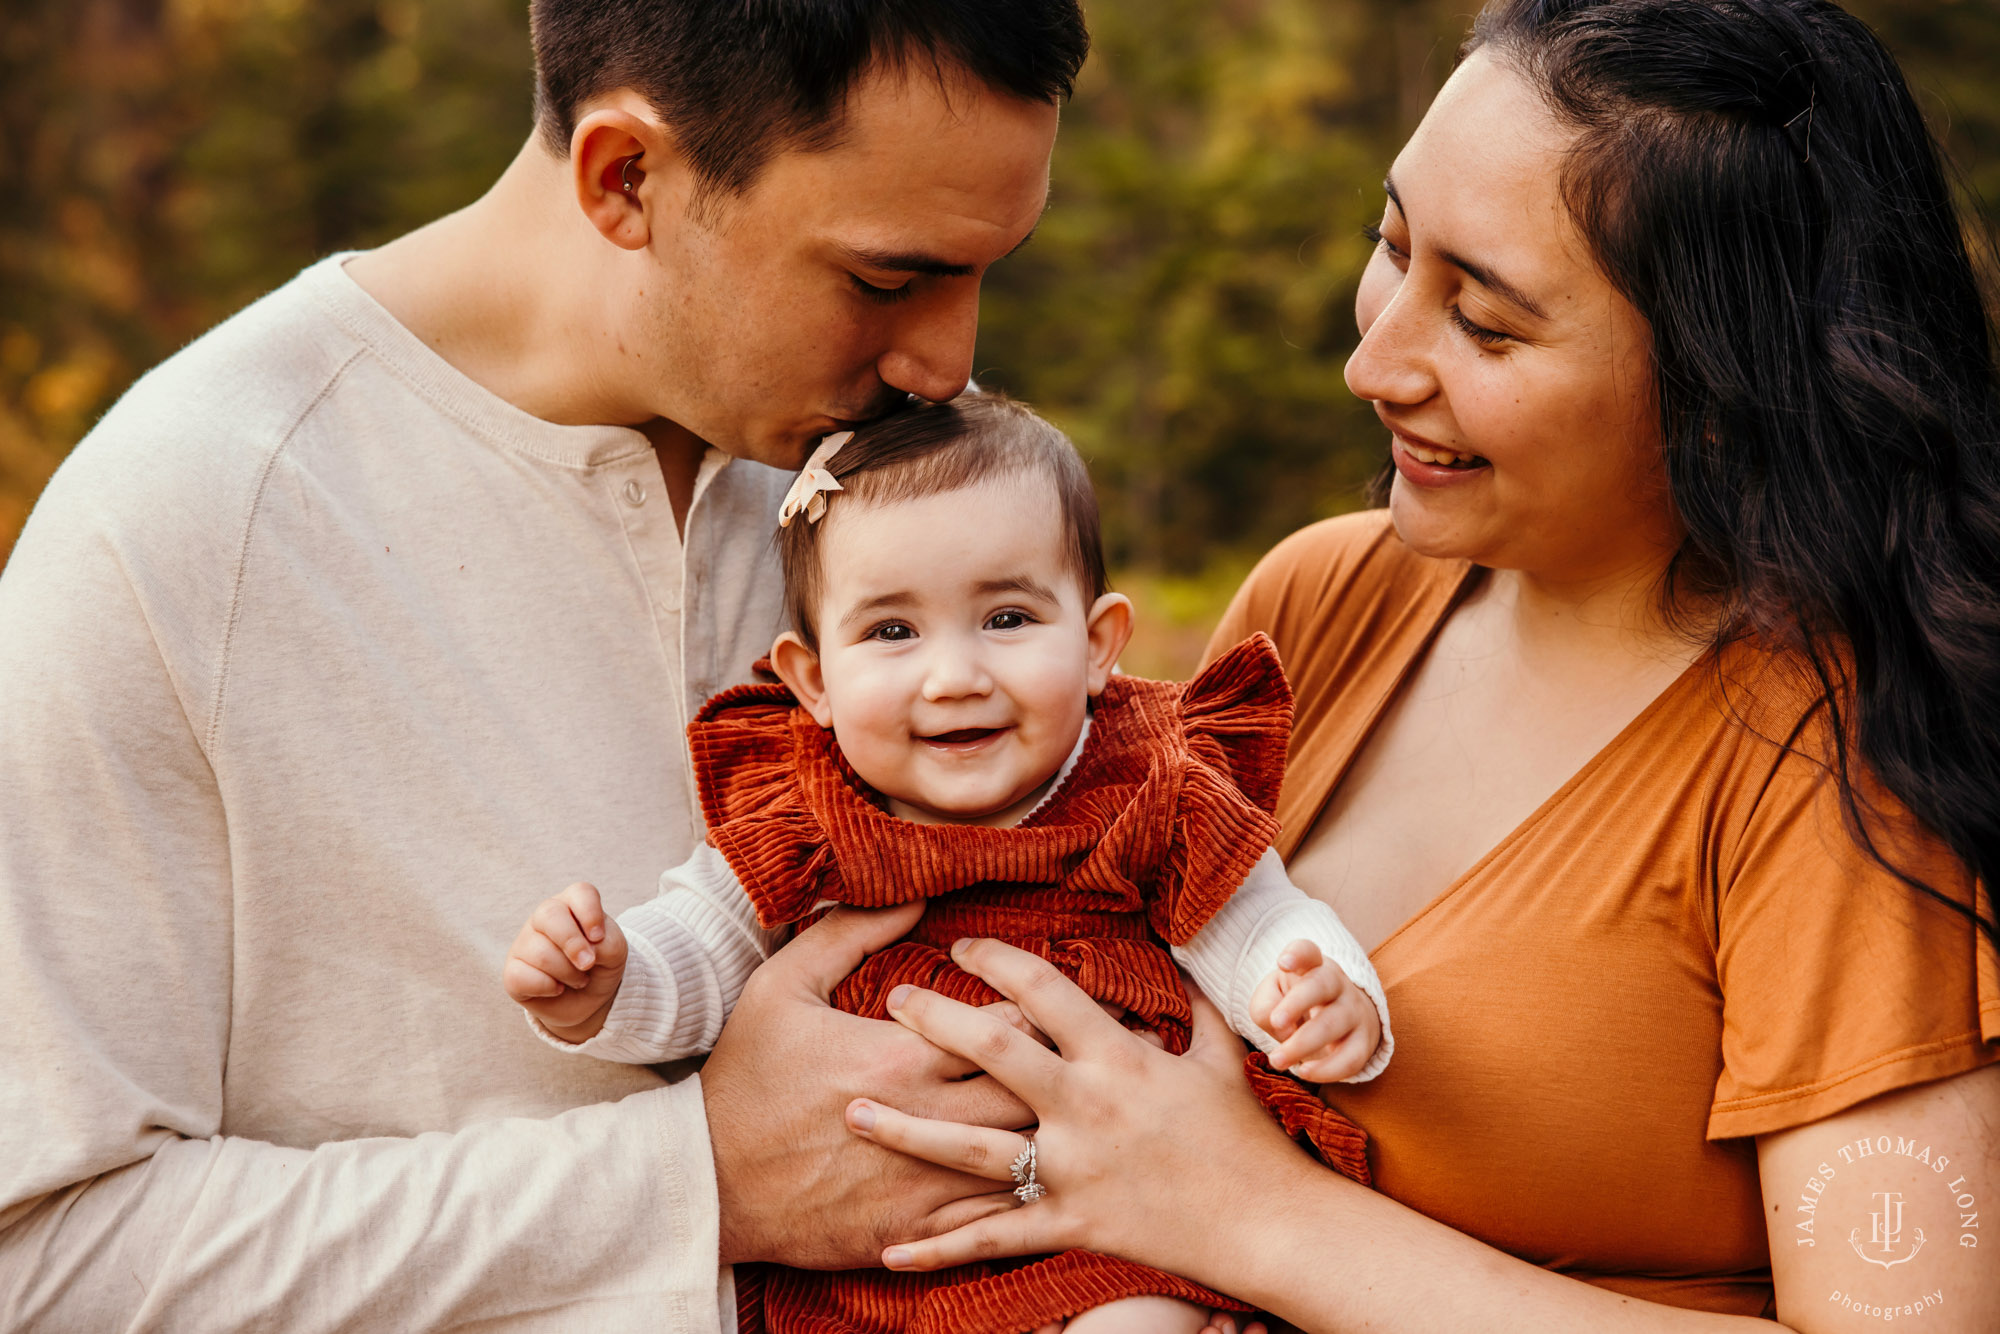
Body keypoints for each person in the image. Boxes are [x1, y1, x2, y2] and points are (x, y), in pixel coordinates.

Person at [833, 2, 2000, 1332]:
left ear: (1723, 389)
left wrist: (1251, 1213)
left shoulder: (1832, 762)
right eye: (1392, 247)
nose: (1371, 361)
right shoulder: (1320, 601)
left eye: (1488, 326)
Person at [0, 2, 1092, 1328]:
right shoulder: (187, 519)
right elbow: (42, 1262)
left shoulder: (895, 484)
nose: (950, 363)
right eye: (885, 278)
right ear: (627, 177)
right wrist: (695, 1181)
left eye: (990, 269)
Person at [502, 392, 1388, 1334]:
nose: (956, 674)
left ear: (1096, 646)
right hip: (881, 1247)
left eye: (1007, 618)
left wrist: (1318, 993)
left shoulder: (1153, 786)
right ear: (813, 680)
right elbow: (703, 947)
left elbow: (1252, 918)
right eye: (892, 632)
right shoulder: (804, 810)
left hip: (1113, 1225)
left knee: (1139, 1321)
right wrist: (610, 984)